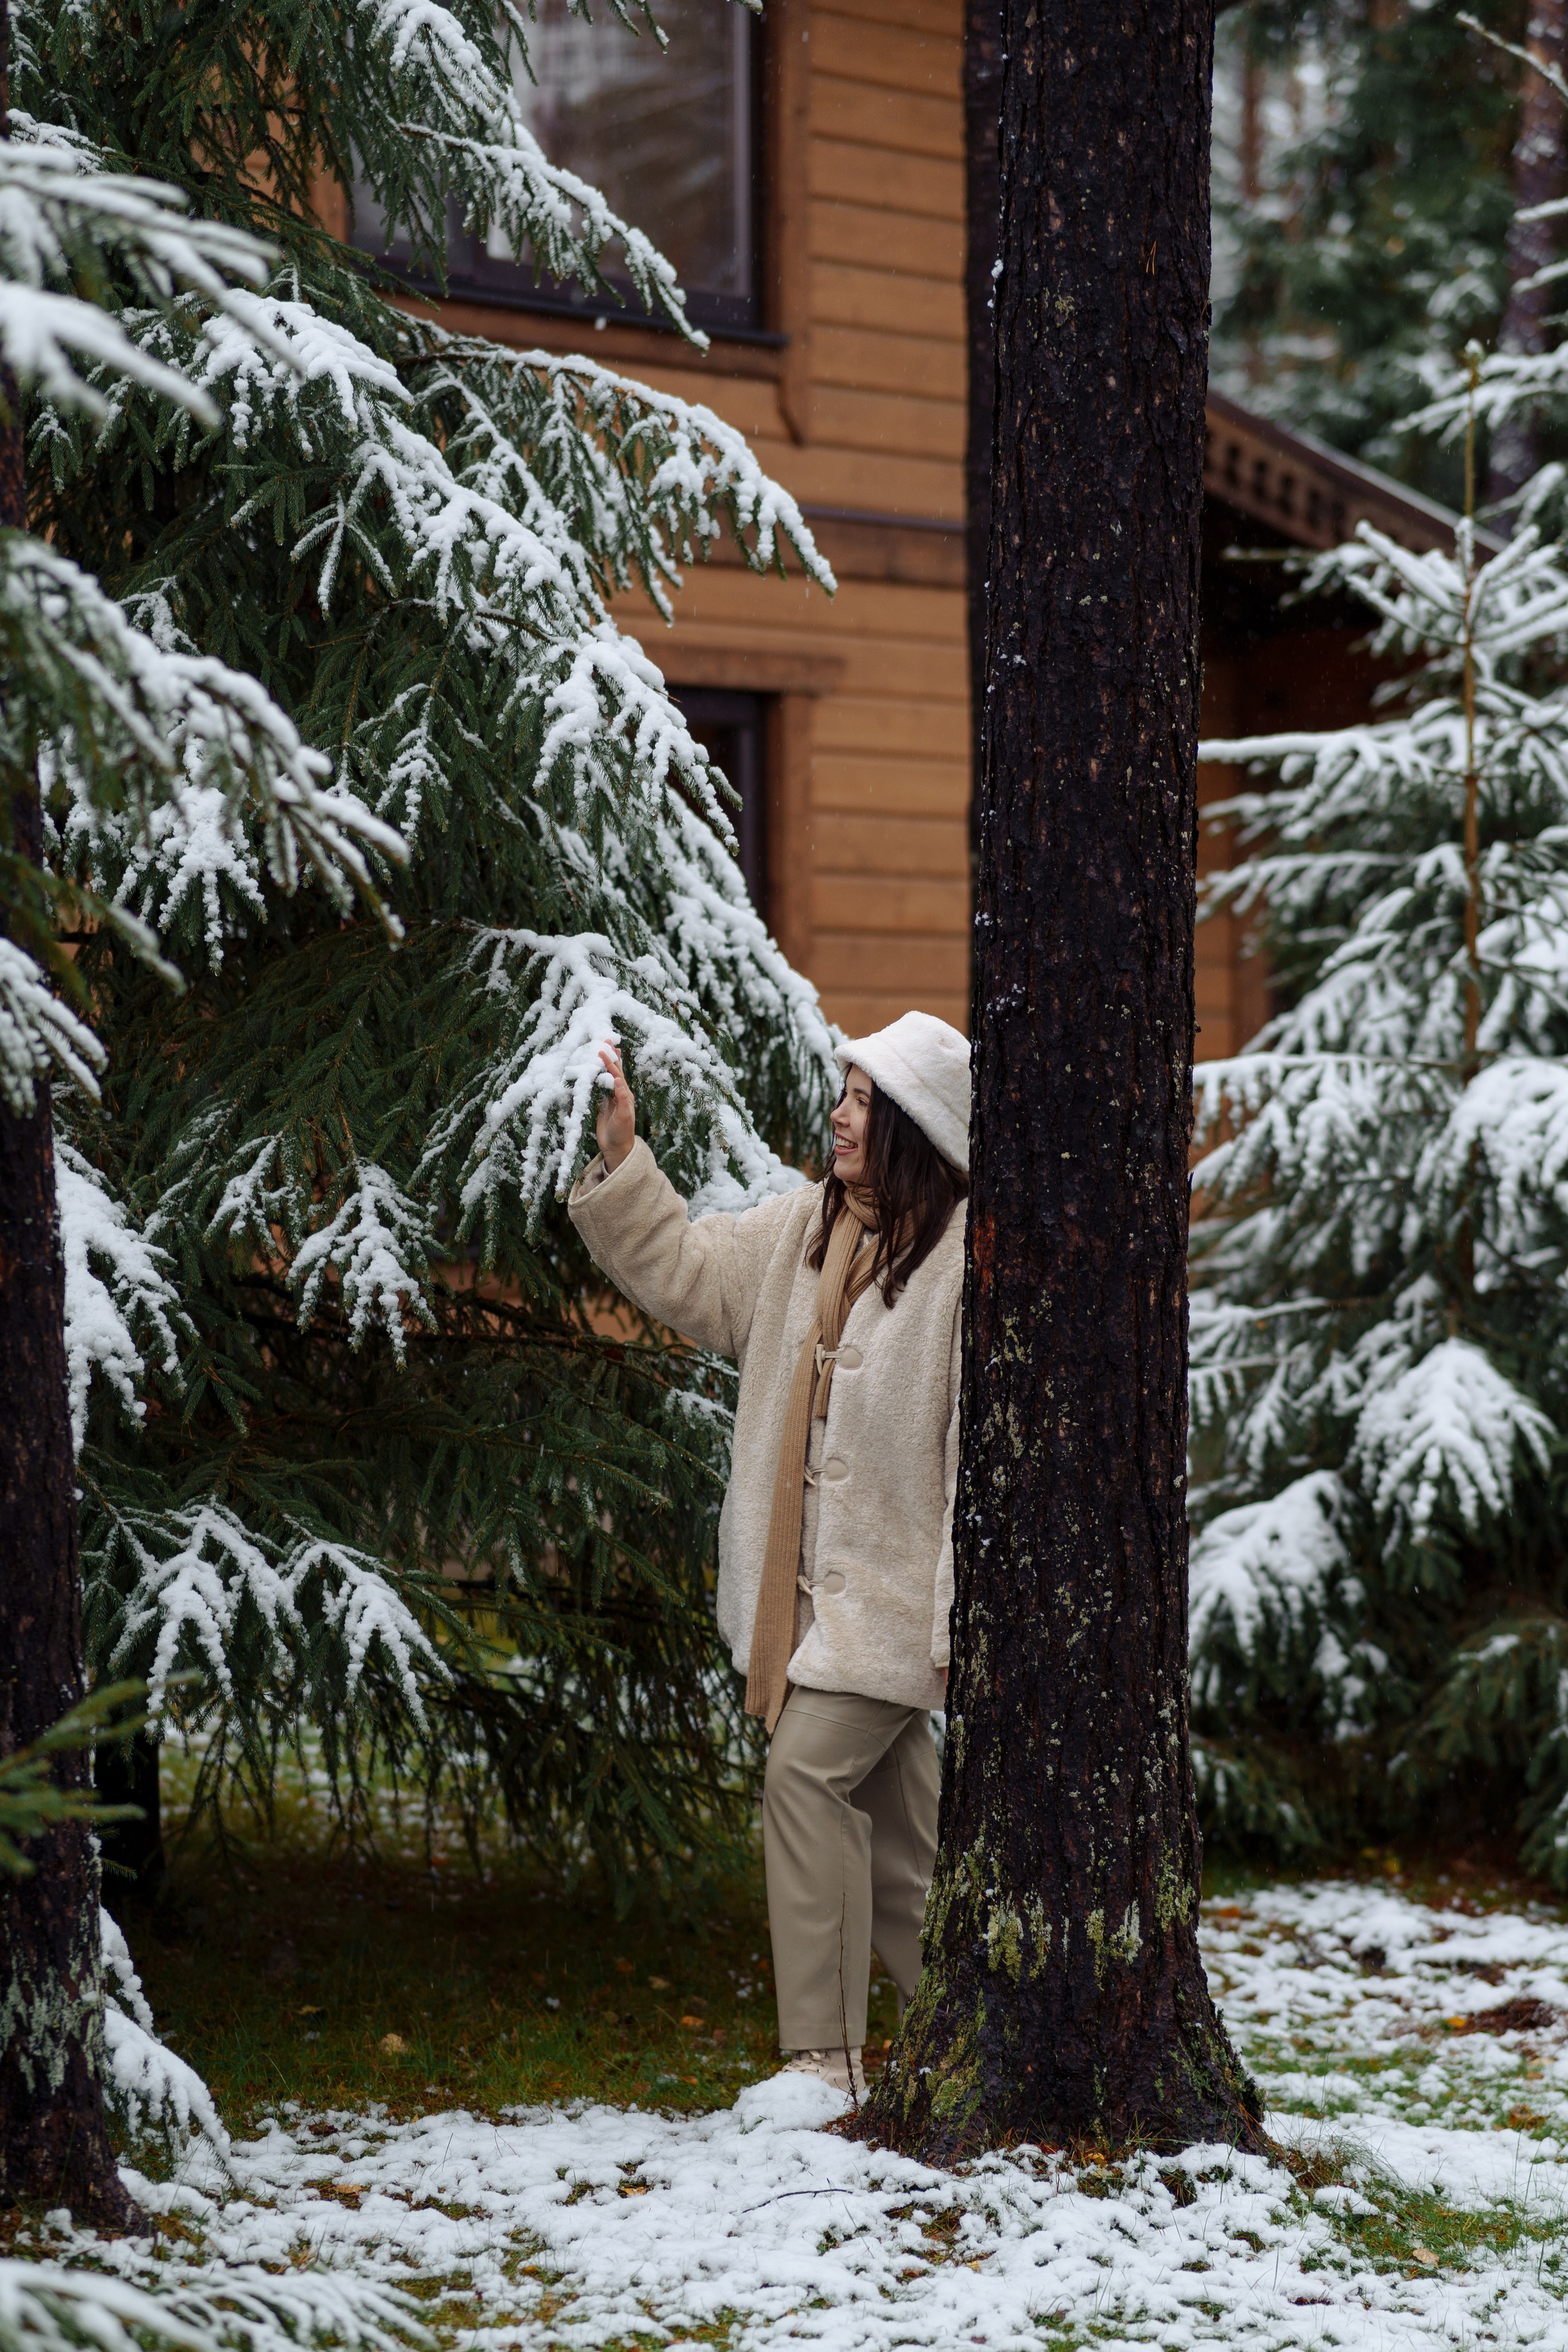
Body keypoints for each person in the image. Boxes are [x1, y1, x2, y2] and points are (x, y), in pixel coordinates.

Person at [568, 1011, 969, 2095]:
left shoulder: (965, 1271)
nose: (839, 1118)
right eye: (841, 1095)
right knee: (903, 1852)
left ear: (917, 1129)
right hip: (803, 1610)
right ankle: (981, 2046)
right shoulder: (804, 1231)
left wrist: (951, 1627)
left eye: (863, 1103)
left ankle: (825, 2068)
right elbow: (691, 1271)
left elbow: (972, 1465)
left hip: (885, 1613)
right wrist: (621, 1155)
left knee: (802, 1777)